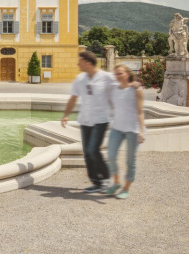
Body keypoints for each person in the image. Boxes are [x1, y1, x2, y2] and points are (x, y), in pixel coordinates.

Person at [61, 51, 116, 192]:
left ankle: (108, 178)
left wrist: (133, 85)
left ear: (88, 63)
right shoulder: (80, 79)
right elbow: (73, 98)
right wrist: (66, 115)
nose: (78, 64)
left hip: (100, 120)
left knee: (93, 150)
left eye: (80, 62)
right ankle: (97, 182)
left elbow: (119, 91)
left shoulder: (106, 77)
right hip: (85, 120)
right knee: (87, 152)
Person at [105, 64, 146, 199]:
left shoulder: (136, 90)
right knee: (110, 155)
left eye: (120, 73)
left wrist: (141, 131)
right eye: (115, 74)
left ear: (128, 74)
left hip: (132, 129)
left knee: (130, 160)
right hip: (116, 127)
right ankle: (116, 182)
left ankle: (126, 188)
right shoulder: (115, 89)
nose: (117, 76)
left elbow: (140, 112)